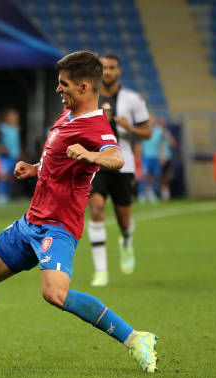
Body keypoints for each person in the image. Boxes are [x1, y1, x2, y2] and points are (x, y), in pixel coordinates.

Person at [0, 51, 158, 373]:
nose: (58, 89)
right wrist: (36, 168)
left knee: (55, 294)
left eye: (64, 84)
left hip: (58, 227)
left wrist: (91, 156)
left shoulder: (95, 125)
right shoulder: (67, 115)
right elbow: (58, 159)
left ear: (83, 87)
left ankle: (135, 338)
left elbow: (116, 157)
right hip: (31, 222)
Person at [88, 53, 151, 287]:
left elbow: (147, 132)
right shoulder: (89, 97)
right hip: (96, 163)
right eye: (104, 68)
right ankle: (101, 271)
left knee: (124, 220)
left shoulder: (133, 99)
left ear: (119, 71)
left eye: (112, 68)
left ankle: (126, 240)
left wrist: (129, 127)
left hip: (123, 164)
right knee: (96, 209)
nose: (107, 72)